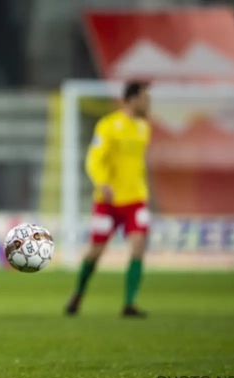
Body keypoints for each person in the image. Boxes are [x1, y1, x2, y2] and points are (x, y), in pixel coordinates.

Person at [65, 81, 151, 318]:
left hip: (135, 198)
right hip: (108, 200)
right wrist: (101, 182)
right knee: (96, 250)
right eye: (145, 99)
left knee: (138, 245)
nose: (148, 104)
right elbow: (94, 158)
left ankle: (130, 303)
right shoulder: (108, 125)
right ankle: (78, 293)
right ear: (132, 99)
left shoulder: (144, 128)